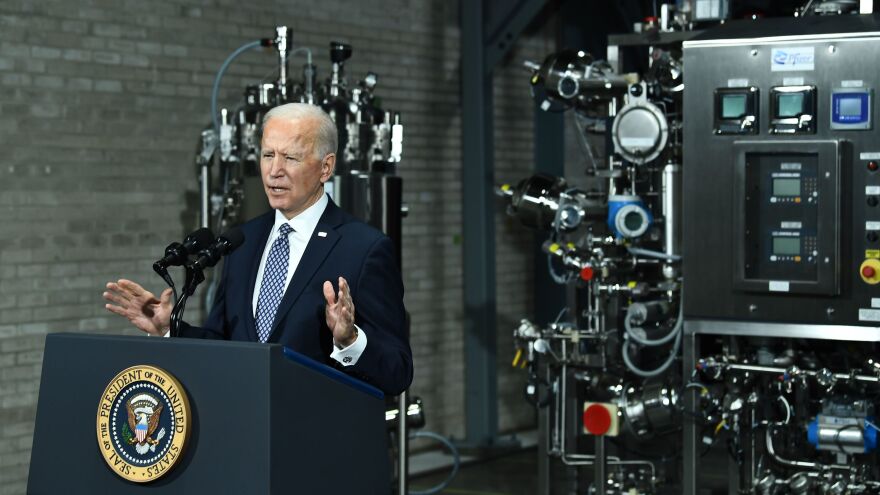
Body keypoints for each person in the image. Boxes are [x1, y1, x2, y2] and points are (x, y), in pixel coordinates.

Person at [103, 103, 412, 395]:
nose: (274, 170)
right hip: (244, 432)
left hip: (317, 440)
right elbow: (225, 343)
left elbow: (397, 371)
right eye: (267, 155)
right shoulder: (242, 241)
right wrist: (170, 328)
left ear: (325, 168)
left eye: (290, 158)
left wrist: (350, 341)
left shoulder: (364, 248)